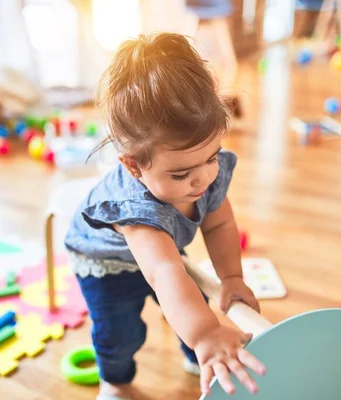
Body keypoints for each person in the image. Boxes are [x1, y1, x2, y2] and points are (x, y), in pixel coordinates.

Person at [64, 32, 265, 400]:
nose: (202, 178)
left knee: (192, 302)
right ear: (134, 166)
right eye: (180, 174)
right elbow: (162, 272)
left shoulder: (205, 174)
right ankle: (116, 380)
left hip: (166, 253)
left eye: (211, 157)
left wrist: (232, 277)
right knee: (121, 333)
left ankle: (199, 353)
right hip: (108, 266)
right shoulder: (134, 210)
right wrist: (206, 331)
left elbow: (219, 223)